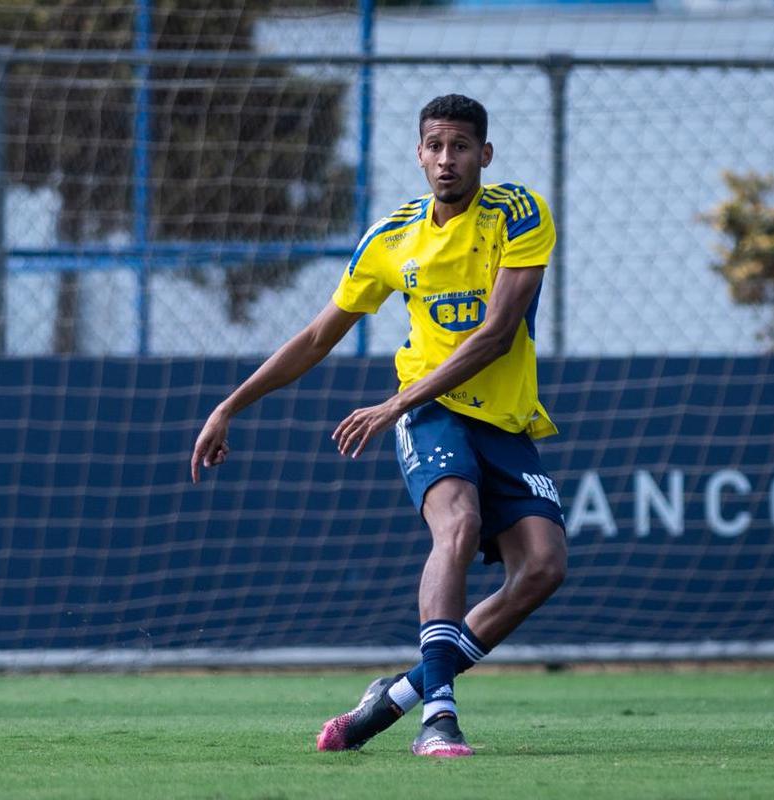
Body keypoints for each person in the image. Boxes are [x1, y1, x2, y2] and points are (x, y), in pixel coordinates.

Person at [190, 94, 567, 758]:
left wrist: (391, 403)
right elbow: (313, 337)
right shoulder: (391, 237)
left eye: (458, 146)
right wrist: (229, 405)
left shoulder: (519, 212)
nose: (445, 159)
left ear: (485, 154)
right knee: (458, 525)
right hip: (428, 411)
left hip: (495, 417)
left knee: (542, 568)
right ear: (418, 154)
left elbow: (496, 333)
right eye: (433, 146)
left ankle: (393, 698)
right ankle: (437, 717)